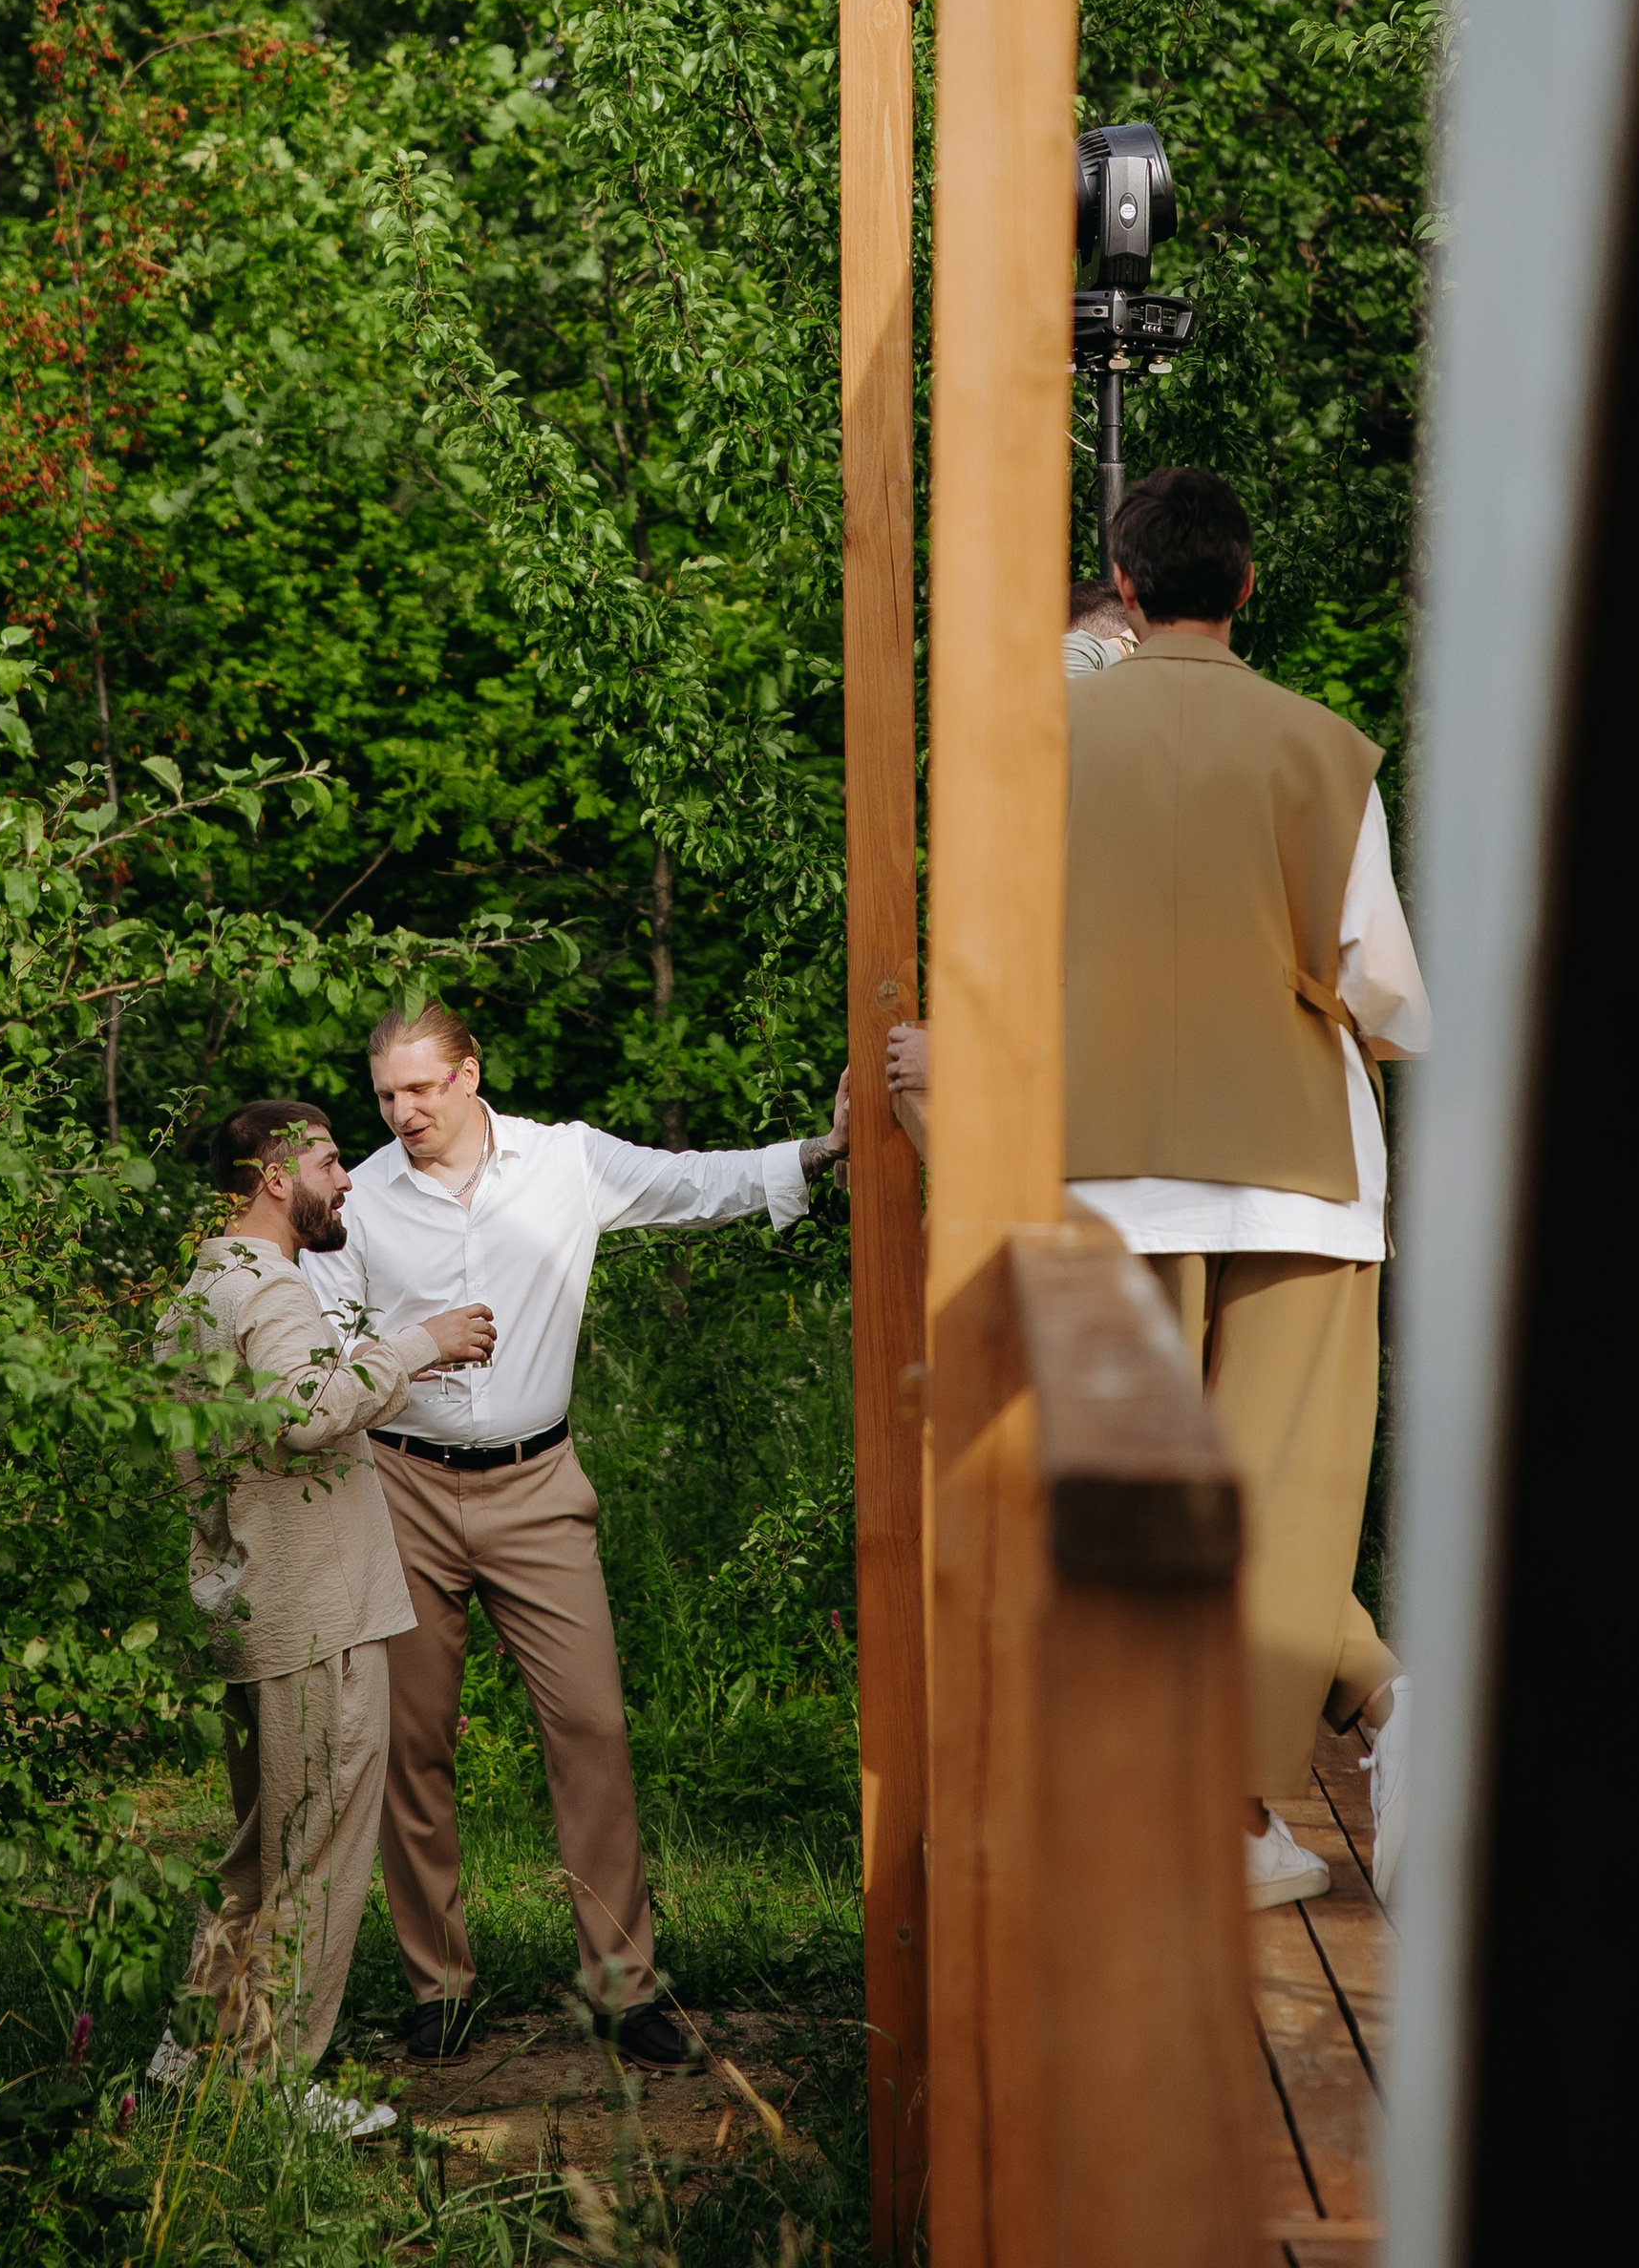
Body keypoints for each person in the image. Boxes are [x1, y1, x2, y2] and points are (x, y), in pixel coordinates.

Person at [883, 467, 1423, 1907]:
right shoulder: (1324, 750)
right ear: (1246, 589)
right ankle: (1272, 1791)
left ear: (1123, 588)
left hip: (1101, 1168)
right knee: (1286, 1499)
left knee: (1125, 1502)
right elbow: (1386, 995)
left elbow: (993, 960)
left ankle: (1206, 1818)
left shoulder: (1033, 741)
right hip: (1303, 1171)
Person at [302, 1000, 849, 2066]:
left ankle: (624, 1986)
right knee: (413, 1747)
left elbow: (701, 1185)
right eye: (385, 1096)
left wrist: (819, 1152)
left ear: (470, 1075)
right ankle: (439, 1989)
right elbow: (328, 1355)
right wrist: (418, 1348)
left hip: (539, 1484)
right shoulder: (360, 1200)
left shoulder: (567, 1164)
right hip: (401, 1486)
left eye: (419, 1088)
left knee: (591, 1727)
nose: (403, 1111)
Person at [154, 1097, 498, 2130]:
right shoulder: (271, 1289)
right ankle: (274, 2086)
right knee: (319, 1855)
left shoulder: (197, 1288)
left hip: (248, 1603)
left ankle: (194, 2049)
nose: (349, 1179)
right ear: (274, 1176)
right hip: (314, 1615)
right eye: (334, 1161)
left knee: (263, 1852)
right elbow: (304, 1415)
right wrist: (418, 1345)